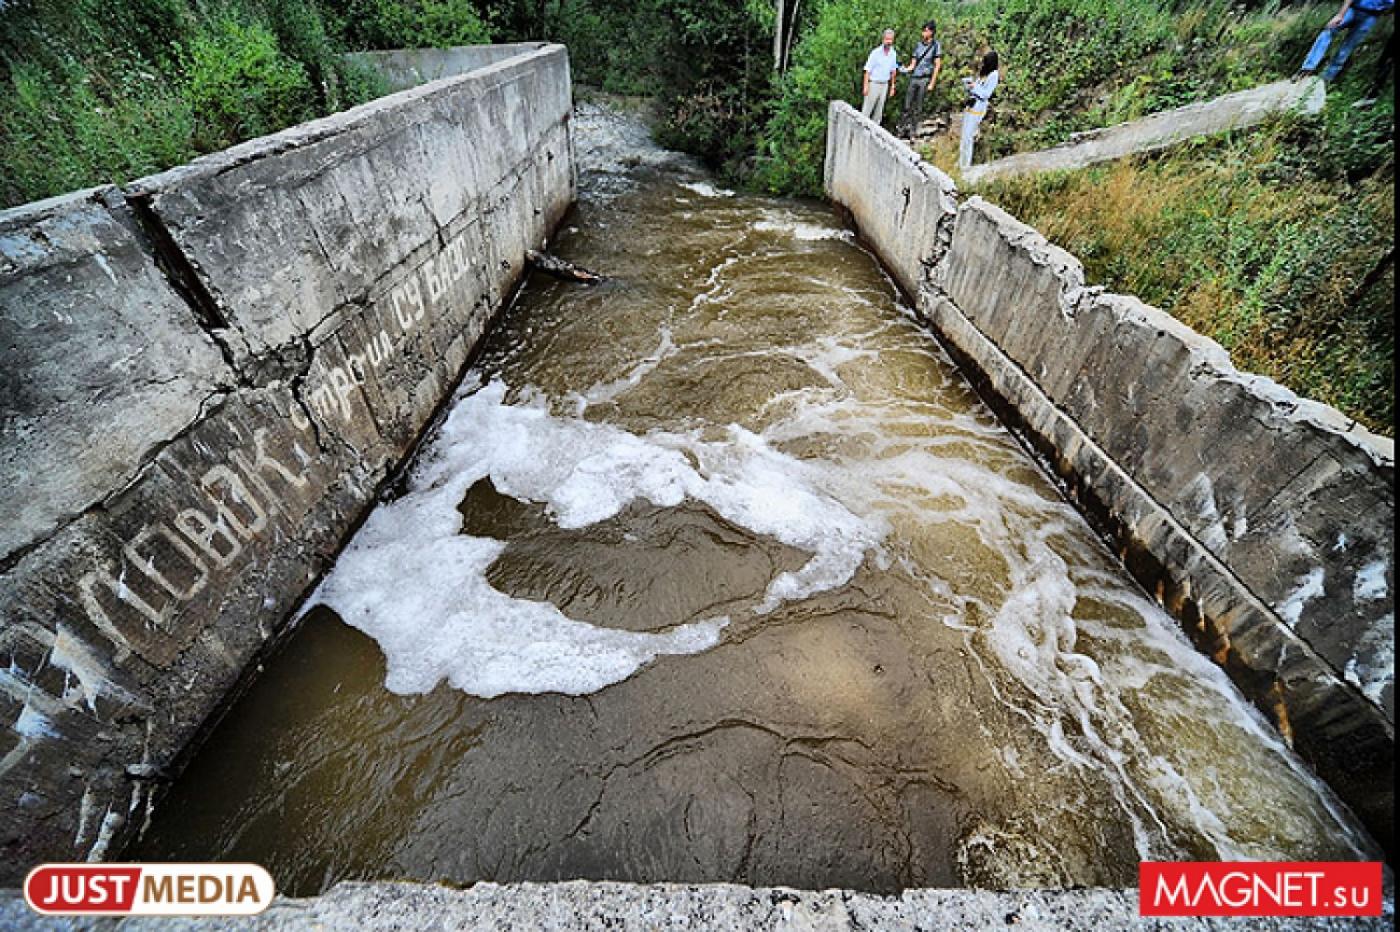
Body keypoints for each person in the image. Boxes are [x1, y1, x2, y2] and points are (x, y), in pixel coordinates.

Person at [1294, 0, 1394, 82]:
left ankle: (1327, 79)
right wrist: (1340, 15)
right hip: (1352, 9)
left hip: (1371, 17)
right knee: (1329, 30)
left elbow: (1389, 8)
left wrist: (1382, 12)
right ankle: (1307, 68)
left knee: (1347, 47)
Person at [897, 21, 943, 138]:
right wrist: (904, 69)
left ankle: (913, 131)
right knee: (907, 105)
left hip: (924, 79)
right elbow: (913, 64)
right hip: (914, 78)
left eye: (925, 30)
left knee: (918, 107)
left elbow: (937, 65)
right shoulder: (918, 45)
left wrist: (932, 82)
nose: (923, 33)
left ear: (931, 32)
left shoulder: (936, 46)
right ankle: (901, 129)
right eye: (923, 30)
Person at [959, 49, 1000, 170]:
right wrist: (969, 86)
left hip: (978, 109)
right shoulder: (984, 73)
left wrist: (974, 87)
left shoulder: (994, 75)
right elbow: (975, 87)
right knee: (964, 136)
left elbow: (986, 94)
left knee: (969, 137)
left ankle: (966, 165)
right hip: (970, 106)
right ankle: (961, 162)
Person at [862, 29, 900, 125]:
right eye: (887, 39)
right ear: (883, 39)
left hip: (884, 85)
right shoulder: (875, 53)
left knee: (879, 112)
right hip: (874, 84)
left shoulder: (893, 54)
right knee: (867, 110)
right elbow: (867, 70)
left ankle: (873, 136)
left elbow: (893, 71)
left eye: (890, 39)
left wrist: (892, 86)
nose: (889, 42)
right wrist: (866, 86)